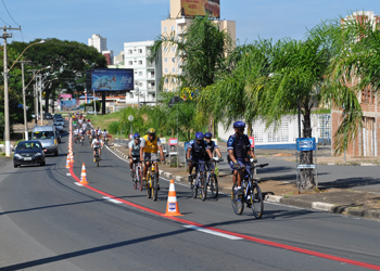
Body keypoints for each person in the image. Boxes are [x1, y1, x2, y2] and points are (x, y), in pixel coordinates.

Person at [227, 121, 257, 195]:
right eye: (240, 129)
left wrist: (254, 158)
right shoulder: (232, 139)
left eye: (243, 129)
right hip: (235, 158)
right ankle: (238, 187)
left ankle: (249, 194)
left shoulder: (245, 137)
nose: (242, 131)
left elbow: (249, 149)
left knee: (249, 173)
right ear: (235, 129)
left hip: (244, 158)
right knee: (237, 170)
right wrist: (235, 162)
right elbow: (231, 153)